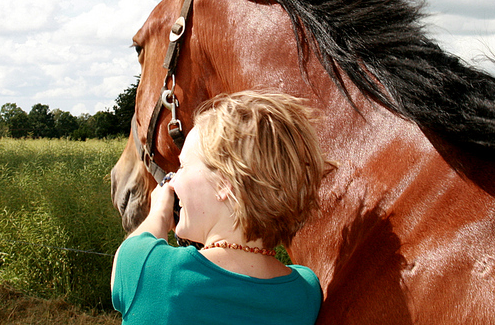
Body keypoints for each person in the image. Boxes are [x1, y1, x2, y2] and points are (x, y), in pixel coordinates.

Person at [111, 90, 332, 325]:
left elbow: (126, 260)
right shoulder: (306, 292)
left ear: (224, 183)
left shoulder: (154, 272)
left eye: (184, 165)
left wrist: (159, 212)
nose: (173, 180)